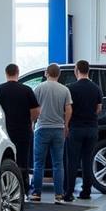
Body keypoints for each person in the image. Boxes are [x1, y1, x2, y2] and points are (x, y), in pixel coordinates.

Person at [29, 62, 72, 203]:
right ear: (59, 75)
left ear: (46, 73)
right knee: (58, 164)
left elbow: (34, 109)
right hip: (58, 129)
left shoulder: (39, 88)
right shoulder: (64, 90)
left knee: (38, 163)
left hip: (41, 129)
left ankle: (36, 194)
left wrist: (33, 122)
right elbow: (69, 109)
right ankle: (59, 195)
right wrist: (65, 125)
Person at [65, 60, 102, 202]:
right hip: (92, 129)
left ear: (76, 70)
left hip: (76, 128)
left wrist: (67, 125)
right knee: (87, 161)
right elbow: (98, 108)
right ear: (88, 70)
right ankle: (86, 191)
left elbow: (68, 109)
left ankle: (69, 193)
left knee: (72, 161)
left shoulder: (71, 88)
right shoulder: (96, 88)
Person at [0, 63, 38, 180]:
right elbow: (35, 110)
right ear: (17, 73)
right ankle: (24, 187)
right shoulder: (26, 90)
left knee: (6, 159)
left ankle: (7, 183)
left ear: (6, 73)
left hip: (5, 132)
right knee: (23, 160)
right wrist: (31, 122)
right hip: (24, 130)